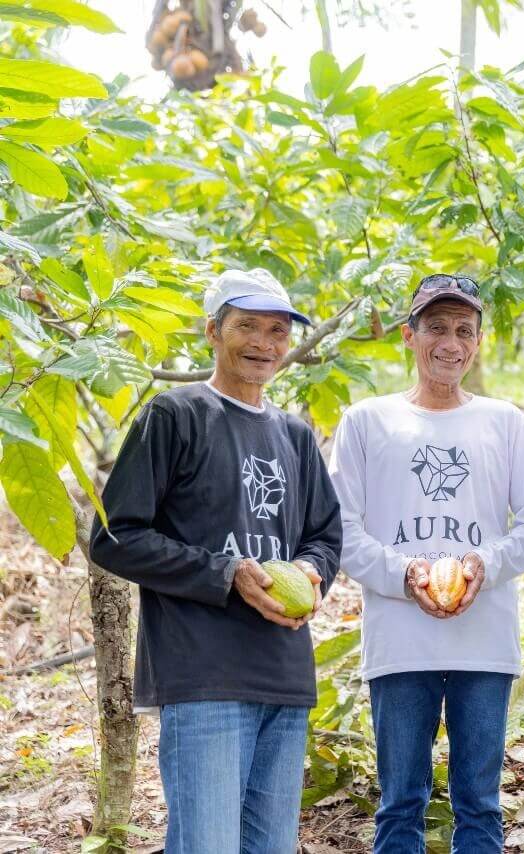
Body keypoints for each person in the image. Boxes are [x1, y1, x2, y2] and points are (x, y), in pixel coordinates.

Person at [90, 268, 342, 854]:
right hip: (202, 674)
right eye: (246, 326)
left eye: (277, 330)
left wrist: (310, 571)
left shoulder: (295, 436)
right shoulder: (175, 416)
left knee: (271, 847)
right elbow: (115, 535)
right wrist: (225, 574)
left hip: (284, 674)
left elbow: (326, 536)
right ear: (212, 331)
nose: (264, 343)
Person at [327, 273, 524, 853]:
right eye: (436, 328)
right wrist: (404, 575)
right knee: (400, 800)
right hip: (401, 641)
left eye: (463, 331)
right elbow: (340, 528)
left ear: (477, 342)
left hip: (485, 639)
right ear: (409, 335)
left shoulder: (504, 422)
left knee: (479, 804)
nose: (450, 342)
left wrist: (486, 564)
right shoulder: (367, 421)